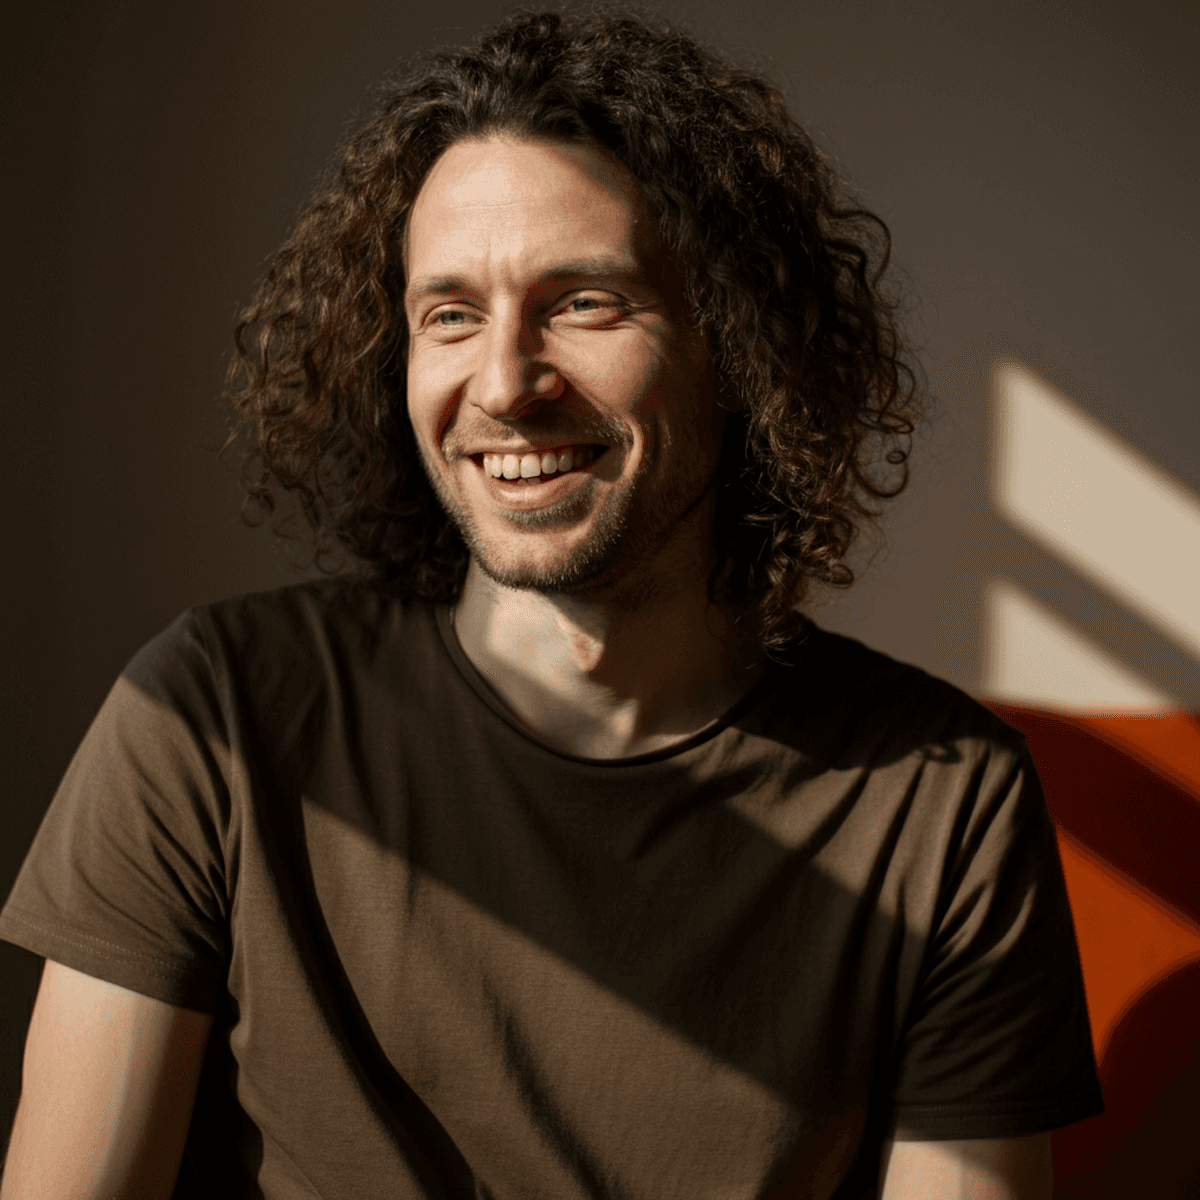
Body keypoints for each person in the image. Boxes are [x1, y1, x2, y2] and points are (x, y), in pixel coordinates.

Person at [0, 10, 1102, 1198]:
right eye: (450, 314)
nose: (506, 383)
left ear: (738, 348)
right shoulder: (212, 717)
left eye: (585, 302)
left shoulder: (942, 804)